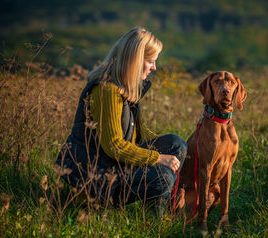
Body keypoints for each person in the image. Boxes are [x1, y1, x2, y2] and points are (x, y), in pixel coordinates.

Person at [56, 27, 187, 215]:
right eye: (150, 61)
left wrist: (169, 152)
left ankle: (164, 209)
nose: (154, 68)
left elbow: (132, 137)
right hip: (99, 177)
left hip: (115, 166)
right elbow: (115, 146)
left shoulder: (124, 89)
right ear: (135, 60)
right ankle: (152, 225)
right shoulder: (106, 90)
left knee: (176, 144)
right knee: (162, 176)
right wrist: (158, 158)